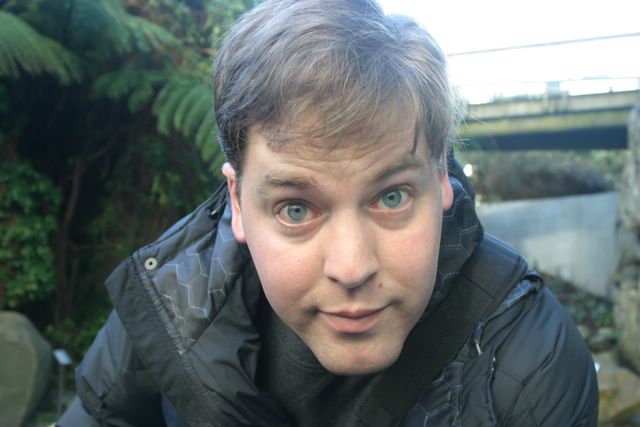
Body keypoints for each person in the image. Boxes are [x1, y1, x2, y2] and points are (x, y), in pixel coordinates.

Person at [58, 0, 598, 425]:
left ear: (441, 179)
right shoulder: (169, 308)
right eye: (296, 209)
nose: (352, 267)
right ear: (238, 203)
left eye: (391, 197)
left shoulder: (530, 359)